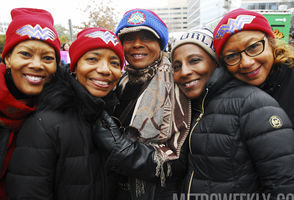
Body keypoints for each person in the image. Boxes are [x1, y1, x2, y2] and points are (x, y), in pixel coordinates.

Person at [171, 28, 294, 199]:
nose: (184, 71)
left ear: (217, 63)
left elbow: (283, 186)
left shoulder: (253, 103)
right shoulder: (190, 105)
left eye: (195, 61)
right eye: (177, 66)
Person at [6, 27, 124, 200]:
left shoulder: (113, 114)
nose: (105, 70)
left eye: (114, 63)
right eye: (92, 59)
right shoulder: (45, 124)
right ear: (74, 66)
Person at [93, 8, 190, 200]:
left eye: (146, 38)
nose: (137, 45)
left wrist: (124, 151)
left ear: (159, 43)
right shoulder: (118, 81)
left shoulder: (178, 83)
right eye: (129, 39)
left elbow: (179, 162)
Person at [0, 7, 61, 200]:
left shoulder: (65, 114)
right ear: (8, 58)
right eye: (25, 54)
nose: (36, 65)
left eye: (48, 58)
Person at [213, 8, 294, 125]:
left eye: (253, 47)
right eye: (232, 56)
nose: (246, 63)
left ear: (271, 43)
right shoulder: (221, 98)